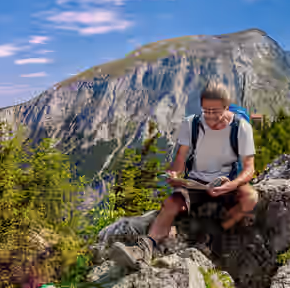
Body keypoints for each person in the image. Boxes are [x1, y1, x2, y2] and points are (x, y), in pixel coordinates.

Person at [108, 81, 259, 270]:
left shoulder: (241, 127)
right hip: (196, 184)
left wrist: (232, 184)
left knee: (250, 197)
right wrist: (175, 174)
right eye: (206, 111)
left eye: (215, 112)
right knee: (172, 203)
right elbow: (180, 158)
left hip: (227, 183)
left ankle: (215, 235)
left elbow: (249, 168)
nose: (210, 117)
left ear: (227, 107)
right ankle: (143, 249)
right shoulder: (192, 124)